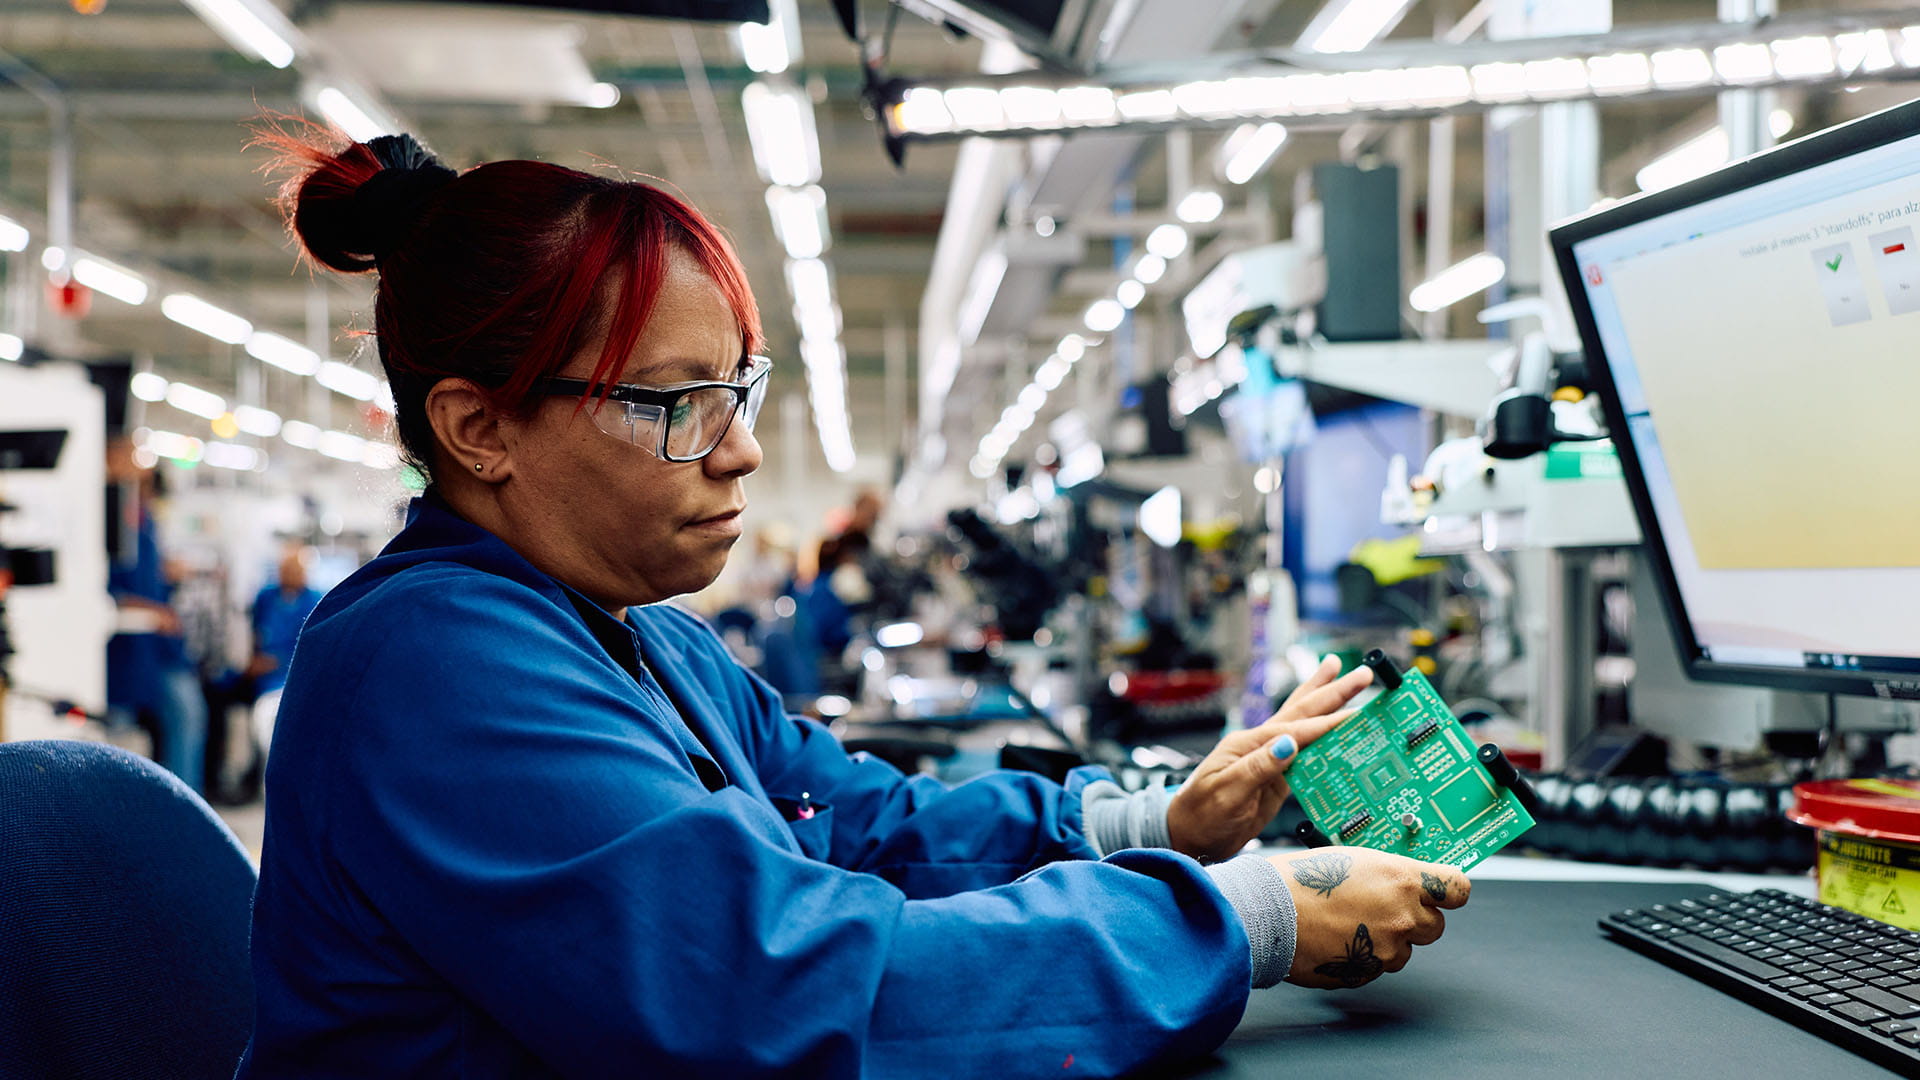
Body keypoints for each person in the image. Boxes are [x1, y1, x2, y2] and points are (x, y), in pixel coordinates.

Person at [239, 129, 1471, 1079]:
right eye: (677, 406)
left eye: (739, 392)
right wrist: (1243, 917)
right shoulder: (433, 669)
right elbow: (780, 990)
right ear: (477, 427)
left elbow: (857, 826)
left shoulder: (646, 638)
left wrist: (1159, 820)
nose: (741, 454)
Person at [104, 435, 208, 794]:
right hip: (123, 648)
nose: (138, 461)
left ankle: (181, 806)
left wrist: (167, 574)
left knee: (183, 719)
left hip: (156, 647)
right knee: (119, 735)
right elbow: (103, 584)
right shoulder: (105, 512)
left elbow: (140, 570)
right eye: (128, 453)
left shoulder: (140, 515)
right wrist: (151, 608)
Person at [245, 544, 323, 761]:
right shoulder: (266, 597)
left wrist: (275, 662)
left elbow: (312, 651)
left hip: (291, 680)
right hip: (262, 681)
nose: (289, 574)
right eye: (285, 569)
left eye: (295, 569)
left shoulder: (316, 601)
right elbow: (254, 634)